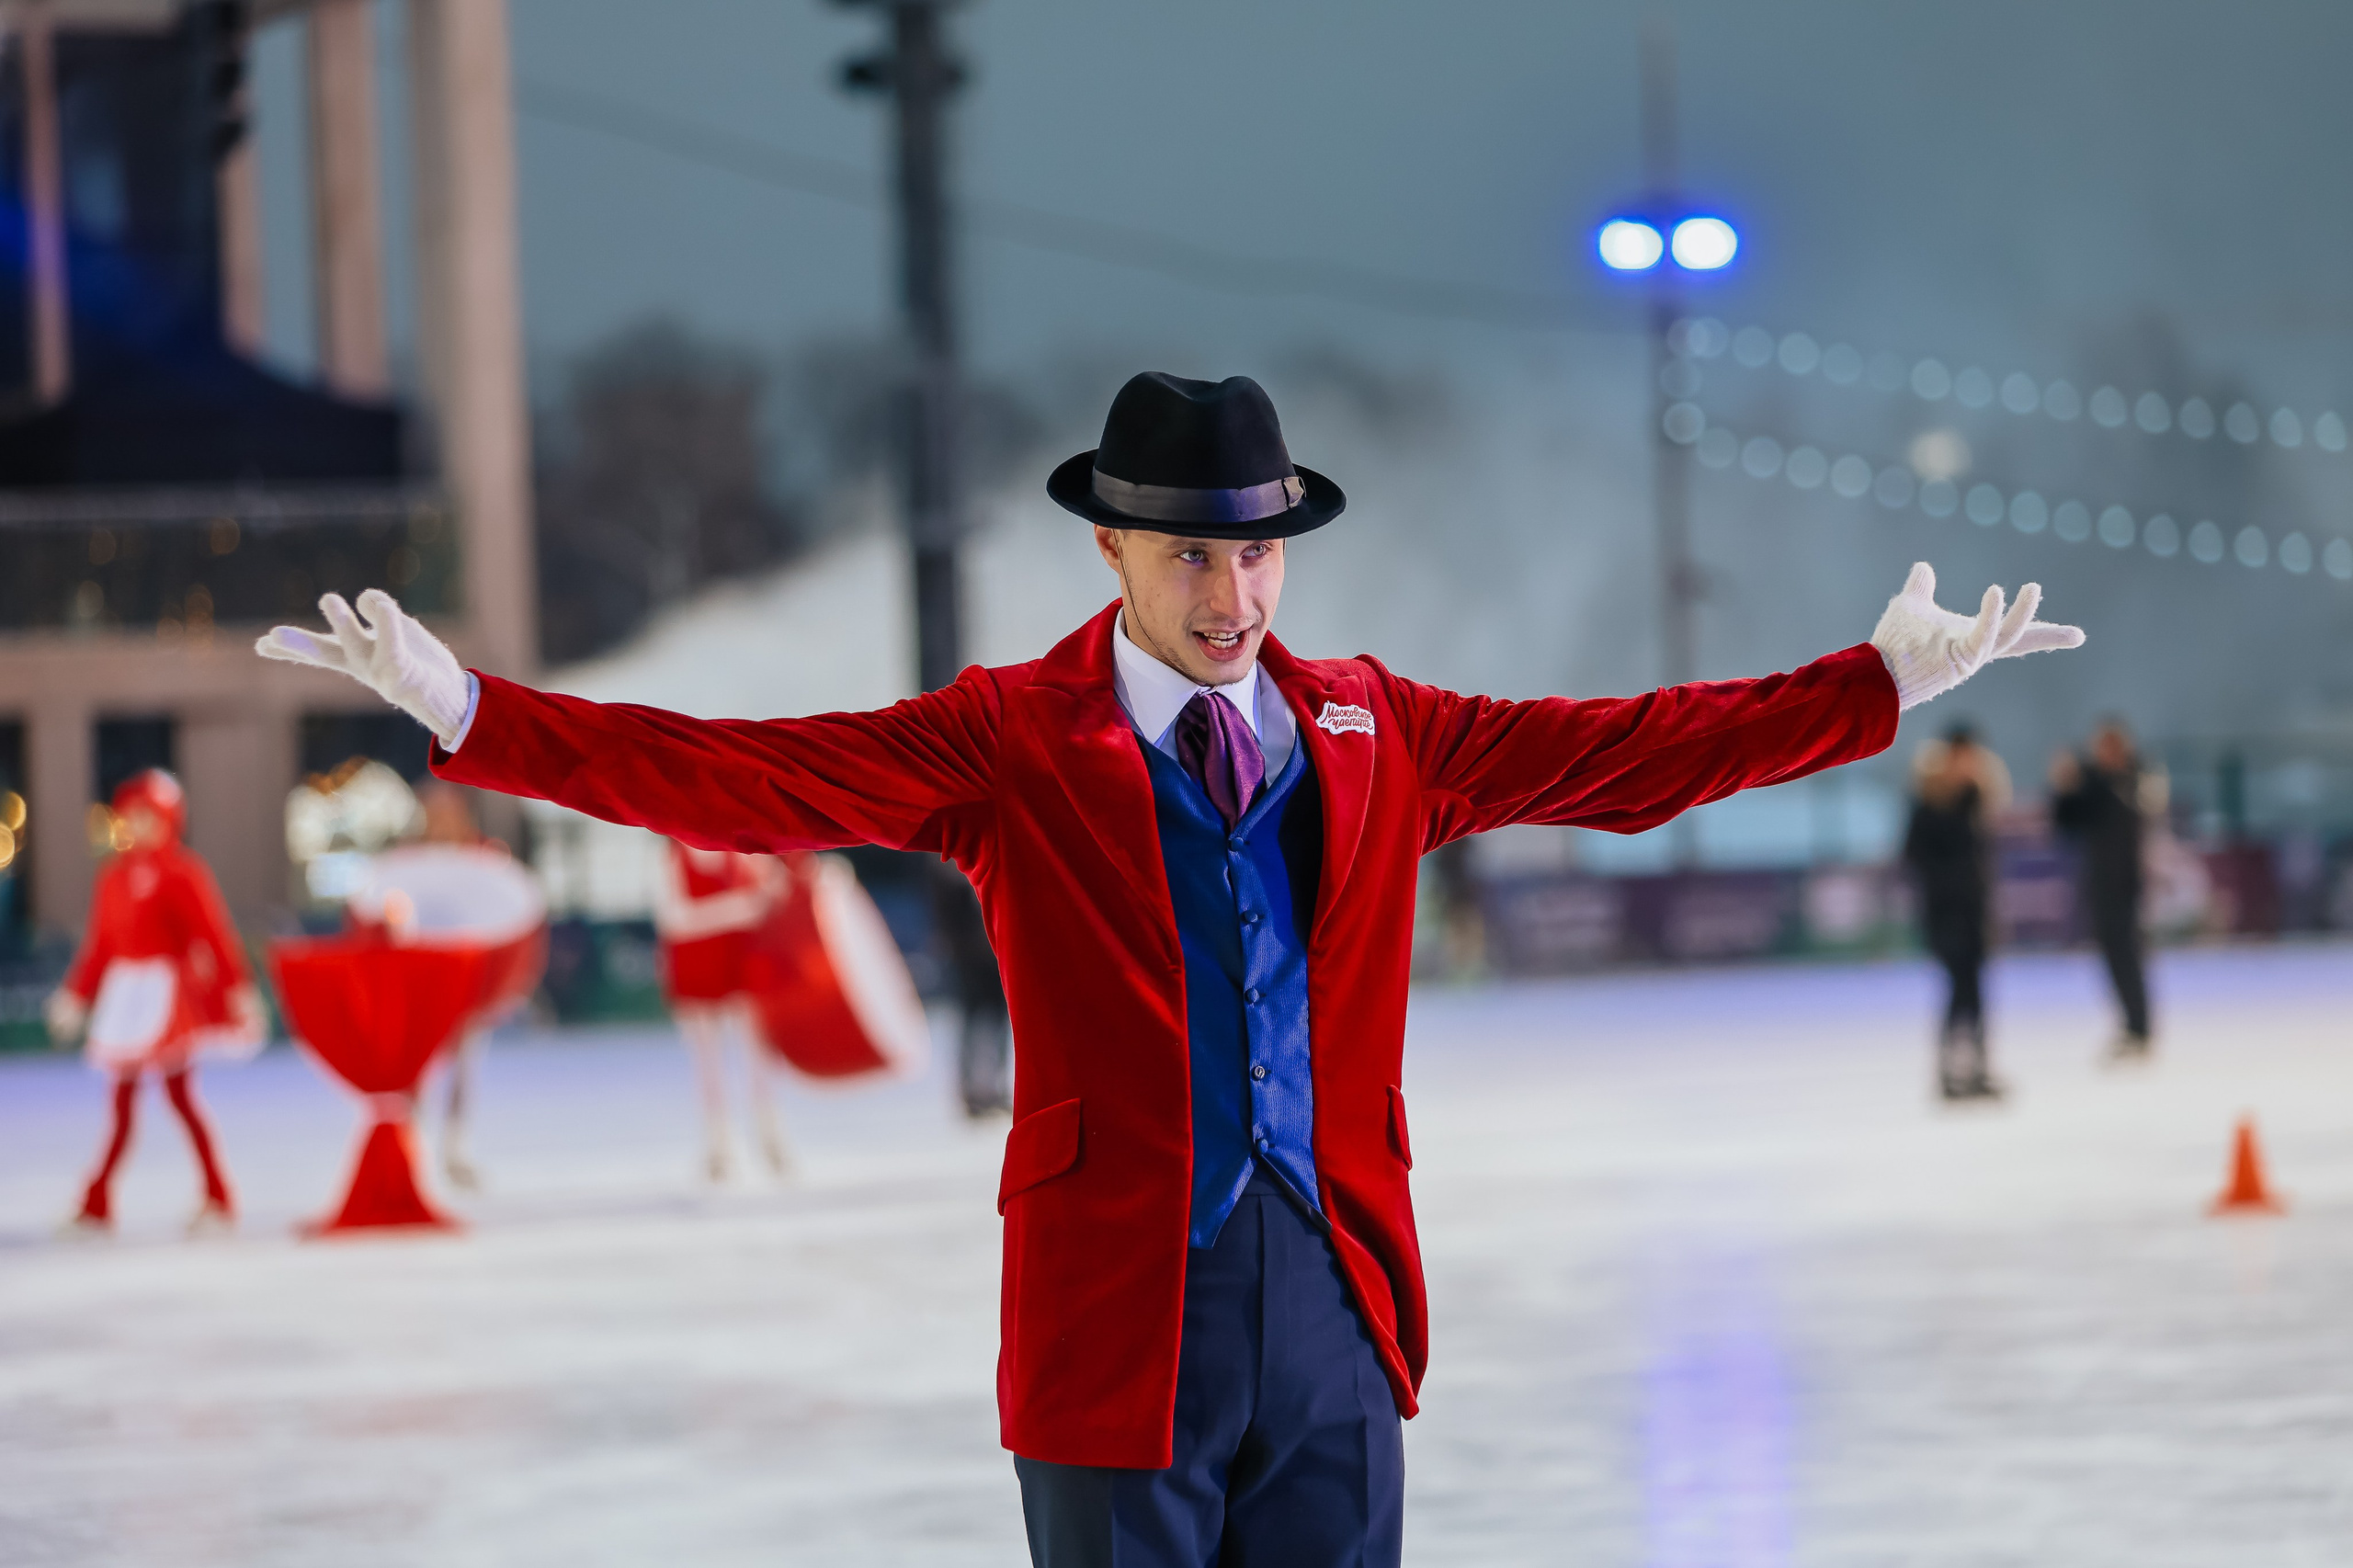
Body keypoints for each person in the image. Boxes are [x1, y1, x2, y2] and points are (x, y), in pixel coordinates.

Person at [256, 370, 2084, 1567]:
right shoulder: (1007, 742)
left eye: (1258, 550)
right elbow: (750, 775)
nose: (1234, 593)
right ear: (1113, 544)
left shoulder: (1375, 727)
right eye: (1194, 551)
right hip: (1119, 1313)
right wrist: (470, 711)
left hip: (1334, 1304)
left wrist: (1862, 691)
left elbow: (1621, 752)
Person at [45, 770, 265, 1234]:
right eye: (133, 817)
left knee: (181, 1099)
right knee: (123, 1106)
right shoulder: (114, 877)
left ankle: (216, 1196)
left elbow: (213, 934)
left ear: (169, 819)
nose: (139, 826)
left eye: (150, 817)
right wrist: (76, 994)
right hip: (127, 998)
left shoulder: (183, 872)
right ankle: (98, 1202)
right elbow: (100, 945)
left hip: (167, 998)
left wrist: (237, 988)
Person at [654, 837, 791, 1177]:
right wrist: (739, 907)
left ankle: (770, 1139)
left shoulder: (740, 849)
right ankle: (719, 1147)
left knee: (758, 1060)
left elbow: (778, 889)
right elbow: (674, 918)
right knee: (709, 1067)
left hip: (738, 966)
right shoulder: (671, 857)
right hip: (695, 970)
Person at [1903, 722, 2012, 1101]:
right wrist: (1946, 885)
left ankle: (1978, 1068)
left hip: (1976, 910)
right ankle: (1951, 1071)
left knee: (1977, 991)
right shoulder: (1929, 799)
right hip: (1944, 912)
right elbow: (1915, 855)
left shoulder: (1977, 798)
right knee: (1958, 989)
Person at [2052, 718, 2154, 1058]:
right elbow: (2066, 822)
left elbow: (2132, 814)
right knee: (2113, 957)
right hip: (2100, 884)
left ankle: (2139, 1027)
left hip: (2126, 884)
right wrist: (2064, 788)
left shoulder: (2134, 780)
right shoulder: (2093, 784)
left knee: (2130, 956)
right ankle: (2130, 1025)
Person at [932, 861, 1013, 1119]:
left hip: (995, 950)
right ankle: (971, 1091)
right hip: (969, 954)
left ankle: (994, 1087)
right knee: (973, 1017)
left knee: (1000, 1018)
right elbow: (946, 910)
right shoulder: (941, 863)